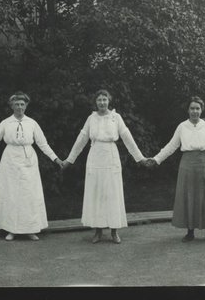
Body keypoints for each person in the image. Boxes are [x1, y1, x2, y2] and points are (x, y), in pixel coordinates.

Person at [0, 92, 64, 241]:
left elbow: (43, 144)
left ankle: (30, 229)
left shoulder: (32, 123)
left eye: (22, 104)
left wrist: (56, 159)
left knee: (28, 194)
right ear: (11, 106)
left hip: (29, 160)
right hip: (10, 161)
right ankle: (12, 229)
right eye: (16, 104)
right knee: (12, 195)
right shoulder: (5, 123)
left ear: (26, 106)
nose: (19, 107)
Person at [62, 89, 148, 244]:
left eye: (105, 100)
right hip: (95, 158)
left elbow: (127, 137)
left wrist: (140, 158)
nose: (102, 102)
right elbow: (81, 139)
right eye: (99, 100)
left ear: (109, 101)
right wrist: (69, 159)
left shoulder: (116, 118)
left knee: (112, 193)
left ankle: (114, 232)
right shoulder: (91, 118)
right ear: (96, 102)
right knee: (96, 194)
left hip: (111, 157)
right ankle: (98, 231)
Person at [148, 96, 205, 242]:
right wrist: (156, 159)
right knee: (188, 195)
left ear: (201, 110)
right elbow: (171, 146)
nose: (194, 111)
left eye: (197, 108)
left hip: (203, 163)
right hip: (187, 164)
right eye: (192, 108)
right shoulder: (182, 126)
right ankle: (190, 232)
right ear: (188, 110)